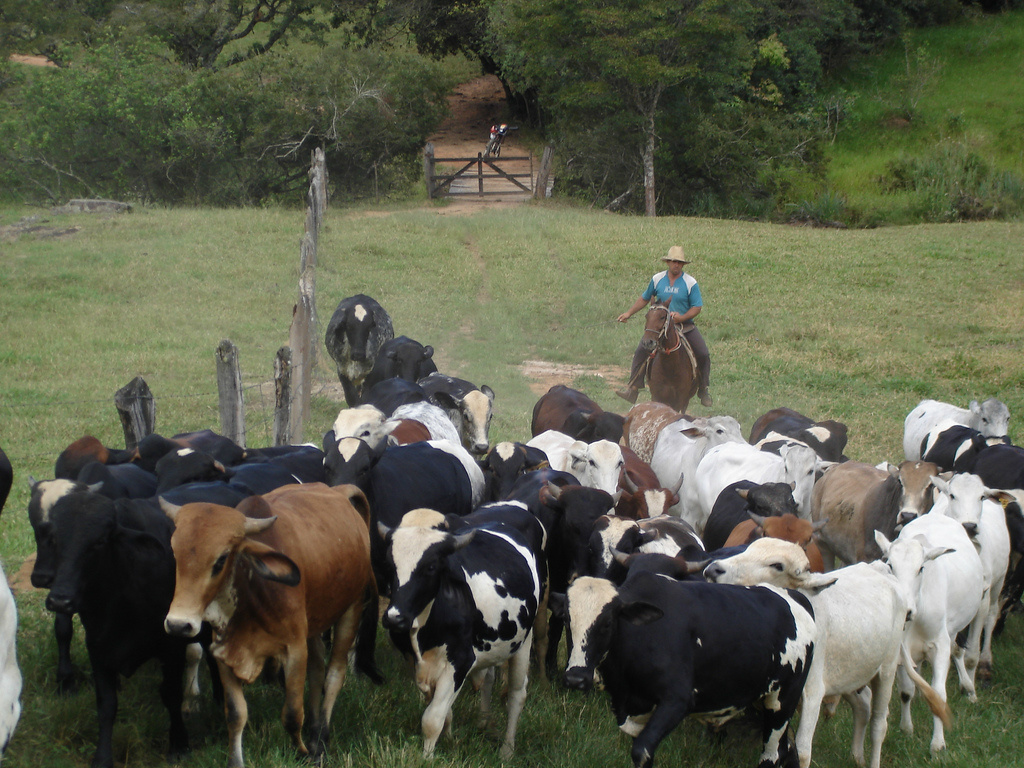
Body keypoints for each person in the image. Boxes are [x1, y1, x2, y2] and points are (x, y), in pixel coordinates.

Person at [615, 245, 713, 407]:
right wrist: (628, 313)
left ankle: (703, 390)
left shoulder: (690, 282)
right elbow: (645, 298)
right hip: (660, 327)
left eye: (680, 263)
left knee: (703, 353)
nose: (676, 265)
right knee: (641, 350)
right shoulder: (657, 279)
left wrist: (681, 318)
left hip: (684, 327)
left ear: (683, 265)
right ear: (668, 262)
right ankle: (633, 388)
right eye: (674, 261)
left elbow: (697, 307)